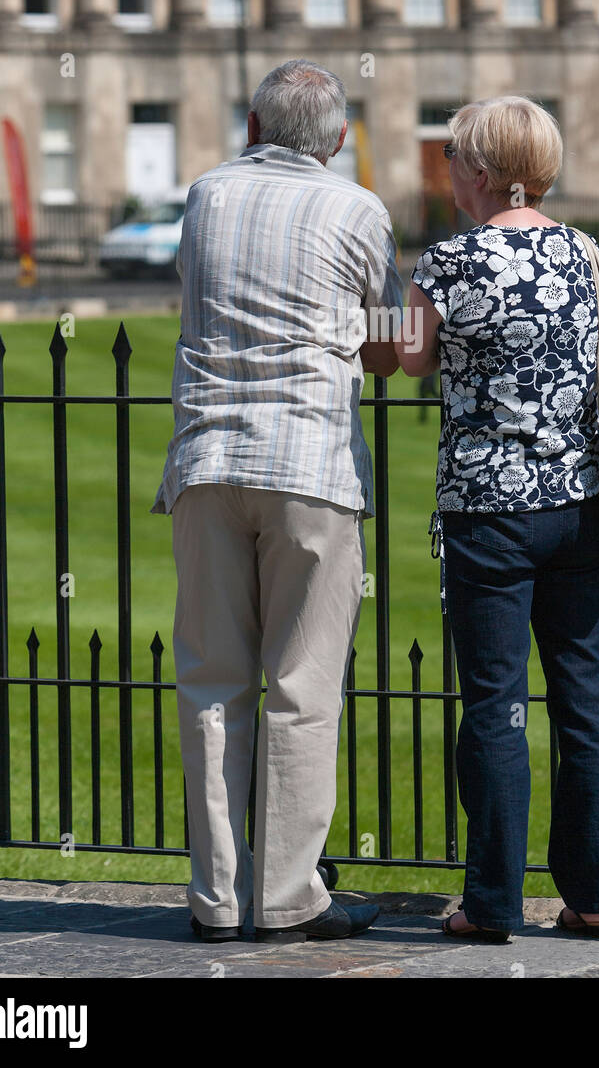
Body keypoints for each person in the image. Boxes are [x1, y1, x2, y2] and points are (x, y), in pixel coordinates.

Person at [394, 96, 599, 942]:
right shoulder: (587, 253)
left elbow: (411, 358)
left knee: (493, 703)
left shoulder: (449, 260)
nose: (445, 169)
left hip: (486, 512)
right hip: (579, 511)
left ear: (481, 172)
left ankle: (490, 904)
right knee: (585, 694)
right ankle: (597, 896)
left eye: (451, 155)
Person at [152, 60, 402, 943]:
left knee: (212, 686)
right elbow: (390, 345)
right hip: (310, 463)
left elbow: (198, 300)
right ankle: (290, 896)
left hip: (209, 458)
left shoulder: (206, 195)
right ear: (336, 141)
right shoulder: (359, 208)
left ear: (253, 128)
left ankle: (217, 900)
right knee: (302, 687)